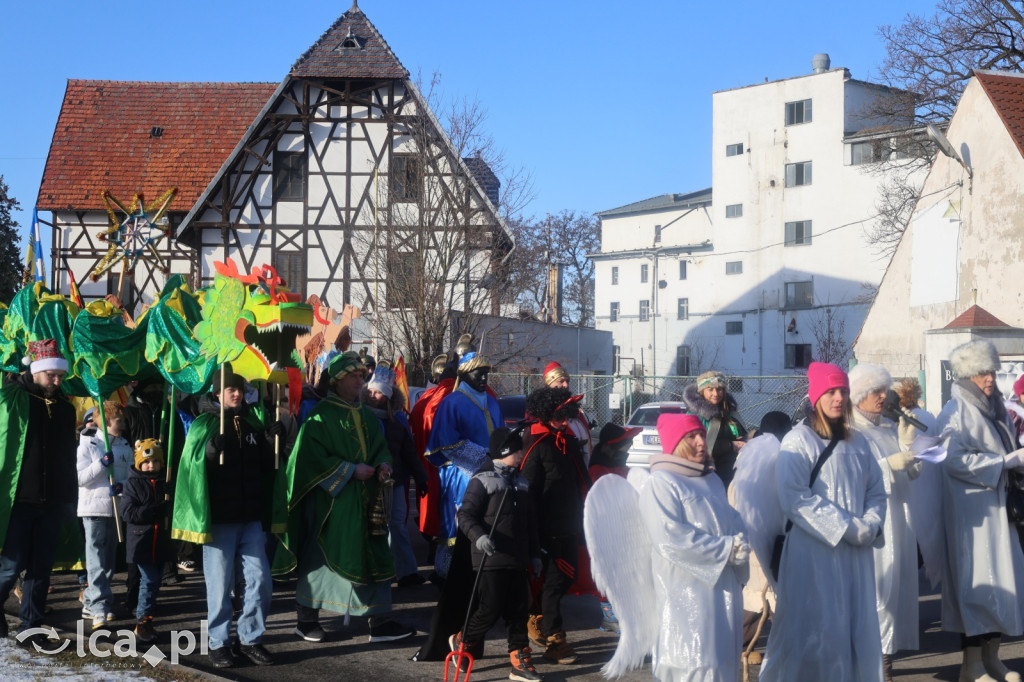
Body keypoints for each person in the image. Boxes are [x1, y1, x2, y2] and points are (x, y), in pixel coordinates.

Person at [272, 351, 415, 645]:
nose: (360, 381)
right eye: (354, 376)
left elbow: (380, 448)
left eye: (362, 376)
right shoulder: (319, 417)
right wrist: (349, 470)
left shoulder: (365, 415)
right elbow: (308, 460)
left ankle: (381, 621)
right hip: (332, 505)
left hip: (367, 502)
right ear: (337, 380)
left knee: (376, 556)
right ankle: (306, 619)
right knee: (321, 559)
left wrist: (383, 464)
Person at [759, 362, 887, 682]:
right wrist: (849, 528)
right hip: (813, 557)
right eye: (830, 391)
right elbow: (795, 499)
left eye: (843, 391)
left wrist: (871, 523)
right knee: (816, 632)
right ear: (815, 396)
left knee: (854, 628)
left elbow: (877, 491)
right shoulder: (798, 441)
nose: (839, 398)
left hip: (855, 559)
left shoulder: (858, 442)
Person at [172, 366, 279, 668]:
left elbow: (266, 468)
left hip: (251, 518)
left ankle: (251, 638)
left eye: (240, 389)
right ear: (217, 393)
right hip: (220, 520)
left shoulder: (252, 422)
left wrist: (273, 441)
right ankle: (219, 643)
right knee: (220, 586)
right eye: (230, 389)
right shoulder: (204, 424)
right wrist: (206, 453)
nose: (236, 393)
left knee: (260, 581)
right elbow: (190, 467)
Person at [937, 340, 1024, 682]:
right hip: (972, 514)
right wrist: (1005, 462)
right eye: (980, 372)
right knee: (978, 586)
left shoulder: (995, 408)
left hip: (997, 509)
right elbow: (952, 460)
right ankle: (971, 666)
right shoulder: (954, 412)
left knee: (1003, 583)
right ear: (966, 375)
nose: (989, 378)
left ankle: (992, 659)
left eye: (990, 371)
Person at [640, 412, 748, 681]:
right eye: (692, 436)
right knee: (692, 659)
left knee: (722, 659)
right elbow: (670, 539)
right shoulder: (661, 483)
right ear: (676, 443)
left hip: (722, 586)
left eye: (702, 434)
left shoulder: (710, 480)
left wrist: (741, 540)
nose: (702, 441)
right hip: (685, 593)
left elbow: (731, 518)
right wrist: (727, 550)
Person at [0, 339, 77, 647]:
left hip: (52, 500)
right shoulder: (14, 400)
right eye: (51, 376)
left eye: (60, 376)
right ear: (36, 372)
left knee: (41, 570)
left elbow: (67, 456)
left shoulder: (65, 408)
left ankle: (31, 628)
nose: (57, 381)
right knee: (10, 565)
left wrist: (69, 498)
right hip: (20, 500)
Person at [452, 427, 543, 682]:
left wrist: (534, 555)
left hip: (517, 558)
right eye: (517, 450)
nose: (521, 454)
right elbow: (465, 514)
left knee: (518, 610)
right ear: (505, 452)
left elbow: (530, 524)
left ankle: (519, 658)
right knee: (490, 609)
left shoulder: (521, 482)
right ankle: (463, 639)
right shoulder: (482, 480)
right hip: (490, 558)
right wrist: (479, 537)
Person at [849, 363, 921, 679]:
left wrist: (909, 447)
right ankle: (875, 668)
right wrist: (887, 464)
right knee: (876, 595)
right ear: (860, 395)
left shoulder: (887, 428)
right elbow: (849, 477)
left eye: (883, 390)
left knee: (895, 594)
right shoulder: (850, 433)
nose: (883, 396)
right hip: (874, 525)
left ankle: (885, 662)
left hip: (899, 522)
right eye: (875, 391)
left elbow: (913, 472)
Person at [521, 387, 590, 664]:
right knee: (553, 582)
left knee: (568, 577)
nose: (565, 422)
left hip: (570, 520)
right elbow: (527, 491)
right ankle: (555, 640)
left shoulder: (569, 442)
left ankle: (536, 617)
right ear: (547, 415)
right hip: (546, 526)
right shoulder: (536, 444)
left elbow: (582, 482)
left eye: (568, 416)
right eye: (560, 417)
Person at [425, 352, 503, 577]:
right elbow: (448, 444)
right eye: (479, 373)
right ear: (465, 374)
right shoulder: (451, 402)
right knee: (458, 527)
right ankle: (450, 575)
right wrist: (484, 460)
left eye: (486, 374)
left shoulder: (492, 403)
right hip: (461, 475)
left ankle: (483, 571)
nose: (484, 379)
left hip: (491, 474)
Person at [363, 365, 429, 587]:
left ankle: (406, 572)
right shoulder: (359, 416)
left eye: (379, 392)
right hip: (367, 481)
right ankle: (372, 570)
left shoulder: (398, 421)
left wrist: (421, 477)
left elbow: (409, 452)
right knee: (369, 526)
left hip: (396, 481)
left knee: (397, 526)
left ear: (389, 395)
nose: (373, 396)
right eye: (371, 391)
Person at [76, 400, 133, 629]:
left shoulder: (125, 445)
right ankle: (100, 606)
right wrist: (102, 463)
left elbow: (131, 474)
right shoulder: (88, 444)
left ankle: (91, 601)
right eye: (119, 419)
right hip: (94, 508)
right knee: (96, 559)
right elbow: (81, 478)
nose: (123, 422)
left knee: (108, 560)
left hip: (115, 509)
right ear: (107, 422)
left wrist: (122, 485)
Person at [587, 423, 641, 633]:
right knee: (608, 567)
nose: (629, 446)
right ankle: (608, 612)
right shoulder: (599, 469)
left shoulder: (620, 465)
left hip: (624, 523)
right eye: (626, 443)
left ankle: (620, 609)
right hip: (606, 524)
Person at [120, 439, 172, 644]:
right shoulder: (133, 483)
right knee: (149, 580)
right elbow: (127, 512)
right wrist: (152, 511)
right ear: (140, 463)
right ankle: (142, 621)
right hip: (141, 542)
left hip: (159, 543)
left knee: (155, 582)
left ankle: (147, 618)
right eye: (147, 462)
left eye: (155, 462)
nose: (151, 466)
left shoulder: (163, 483)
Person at [682, 371, 745, 486]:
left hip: (733, 474)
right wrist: (730, 445)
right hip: (706, 476)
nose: (716, 394)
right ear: (702, 392)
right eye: (710, 389)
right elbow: (692, 448)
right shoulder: (694, 416)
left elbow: (741, 434)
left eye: (719, 389)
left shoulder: (730, 413)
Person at [543, 361, 594, 465]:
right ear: (550, 383)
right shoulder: (543, 411)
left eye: (567, 381)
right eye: (561, 381)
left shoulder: (576, 411)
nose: (566, 385)